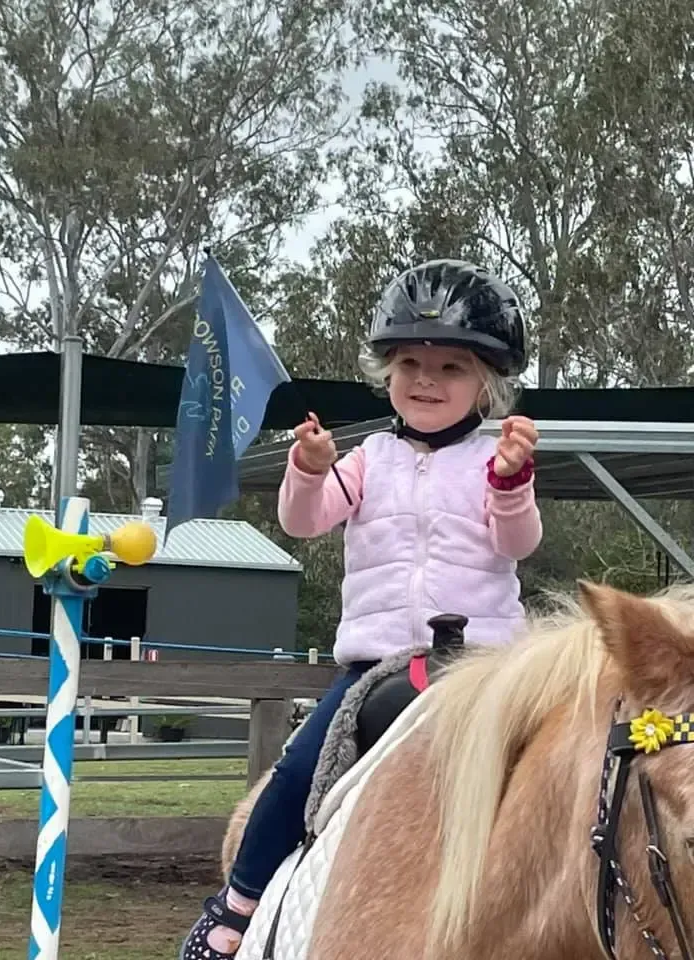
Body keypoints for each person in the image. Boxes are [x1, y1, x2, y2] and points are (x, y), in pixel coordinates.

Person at [180, 258, 542, 959]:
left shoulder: (495, 457)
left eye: (451, 368)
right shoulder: (369, 457)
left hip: (487, 667)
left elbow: (516, 542)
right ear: (387, 374)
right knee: (295, 769)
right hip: (380, 667)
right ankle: (238, 900)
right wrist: (310, 470)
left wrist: (510, 486)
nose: (427, 380)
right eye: (410, 362)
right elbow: (305, 521)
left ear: (487, 386)